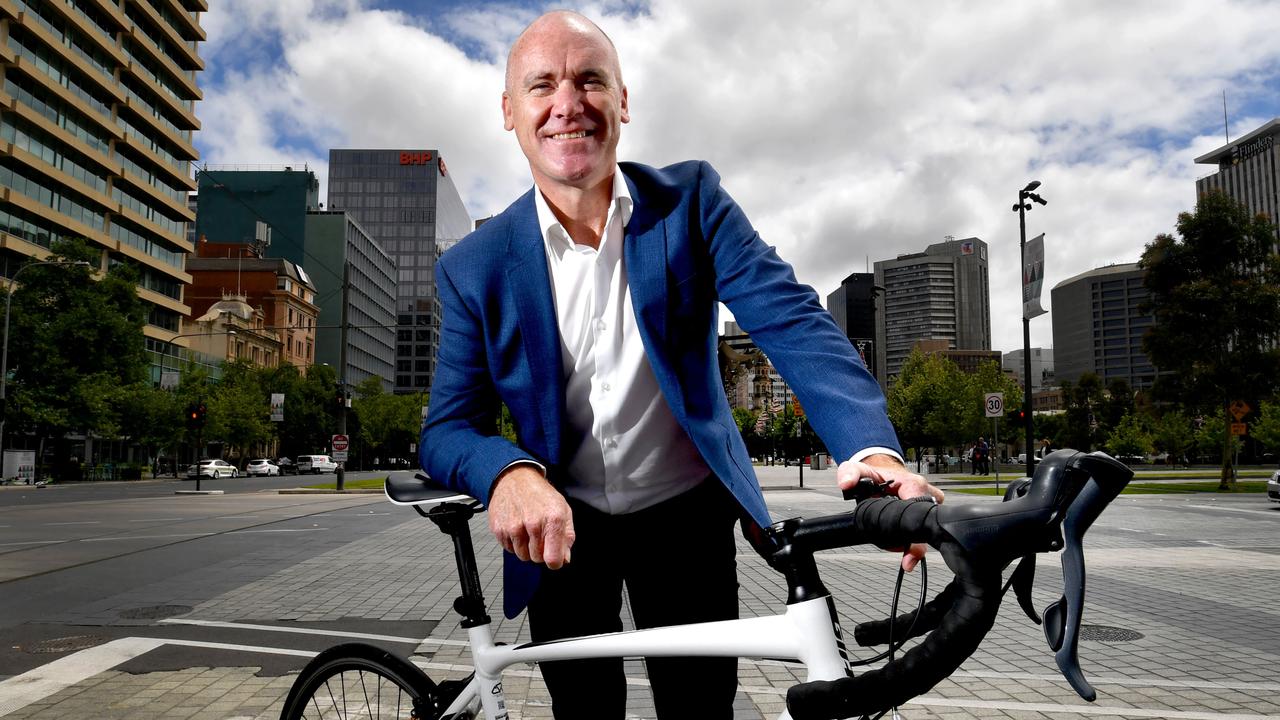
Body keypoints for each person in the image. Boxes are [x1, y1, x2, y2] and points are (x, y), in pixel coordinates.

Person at [419, 11, 944, 719]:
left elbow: (789, 317)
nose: (567, 103)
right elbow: (448, 428)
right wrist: (508, 471)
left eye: (590, 80)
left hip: (686, 521)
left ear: (623, 101)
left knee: (701, 709)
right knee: (584, 713)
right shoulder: (473, 267)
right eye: (541, 85)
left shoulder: (690, 202)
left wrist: (869, 447)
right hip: (562, 533)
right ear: (510, 112)